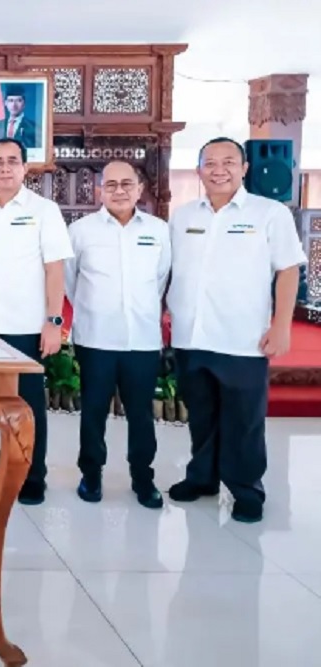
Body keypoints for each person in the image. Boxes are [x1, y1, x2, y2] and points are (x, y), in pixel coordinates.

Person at [166, 137, 306, 523]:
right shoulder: (183, 216)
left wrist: (281, 325)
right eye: (210, 162)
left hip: (243, 337)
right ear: (198, 170)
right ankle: (203, 478)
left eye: (229, 162)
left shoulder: (269, 213)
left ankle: (246, 489)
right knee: (201, 414)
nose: (219, 169)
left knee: (244, 419)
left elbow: (289, 269)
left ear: (244, 168)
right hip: (191, 335)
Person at [0, 138, 72, 505]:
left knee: (26, 407)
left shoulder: (44, 210)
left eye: (13, 161)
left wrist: (53, 321)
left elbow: (54, 268)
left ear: (25, 168)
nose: (6, 168)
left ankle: (32, 473)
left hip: (26, 326)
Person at [64, 161, 170, 509]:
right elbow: (70, 281)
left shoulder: (158, 230)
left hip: (141, 339)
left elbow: (161, 278)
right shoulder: (81, 231)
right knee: (93, 412)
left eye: (127, 184)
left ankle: (143, 479)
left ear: (140, 189)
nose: (119, 191)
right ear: (100, 190)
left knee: (141, 414)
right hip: (95, 338)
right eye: (111, 185)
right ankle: (90, 476)